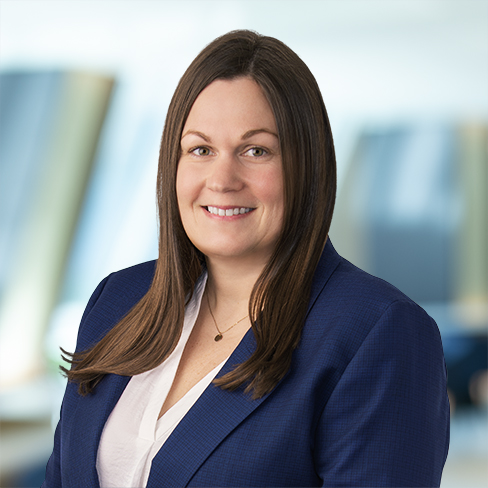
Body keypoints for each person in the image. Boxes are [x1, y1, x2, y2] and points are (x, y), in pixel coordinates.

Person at [43, 30, 449, 488]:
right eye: (200, 149)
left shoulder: (378, 332)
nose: (222, 178)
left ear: (307, 165)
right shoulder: (118, 300)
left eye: (256, 150)